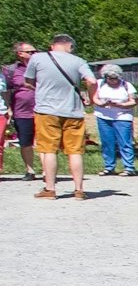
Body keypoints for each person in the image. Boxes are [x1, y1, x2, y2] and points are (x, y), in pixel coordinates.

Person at [26, 34, 96, 200]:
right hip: (73, 111)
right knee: (75, 151)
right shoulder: (79, 61)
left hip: (47, 111)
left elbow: (28, 82)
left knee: (49, 150)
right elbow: (92, 81)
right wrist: (92, 99)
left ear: (52, 45)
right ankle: (79, 190)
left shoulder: (37, 58)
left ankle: (50, 189)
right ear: (70, 46)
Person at [93, 63, 138, 175]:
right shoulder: (99, 84)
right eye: (110, 78)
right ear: (105, 77)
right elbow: (94, 98)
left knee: (125, 142)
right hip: (103, 116)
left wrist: (121, 105)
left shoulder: (127, 85)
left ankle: (129, 167)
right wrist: (101, 104)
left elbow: (133, 101)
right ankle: (109, 166)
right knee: (107, 142)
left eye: (115, 78)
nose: (113, 81)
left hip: (123, 116)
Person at [5, 42, 38, 178]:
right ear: (20, 54)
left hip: (43, 109)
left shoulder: (41, 67)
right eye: (31, 52)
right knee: (25, 142)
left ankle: (48, 172)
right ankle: (30, 170)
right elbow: (6, 90)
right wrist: (8, 108)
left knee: (45, 142)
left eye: (35, 51)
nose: (34, 54)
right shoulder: (11, 70)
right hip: (21, 111)